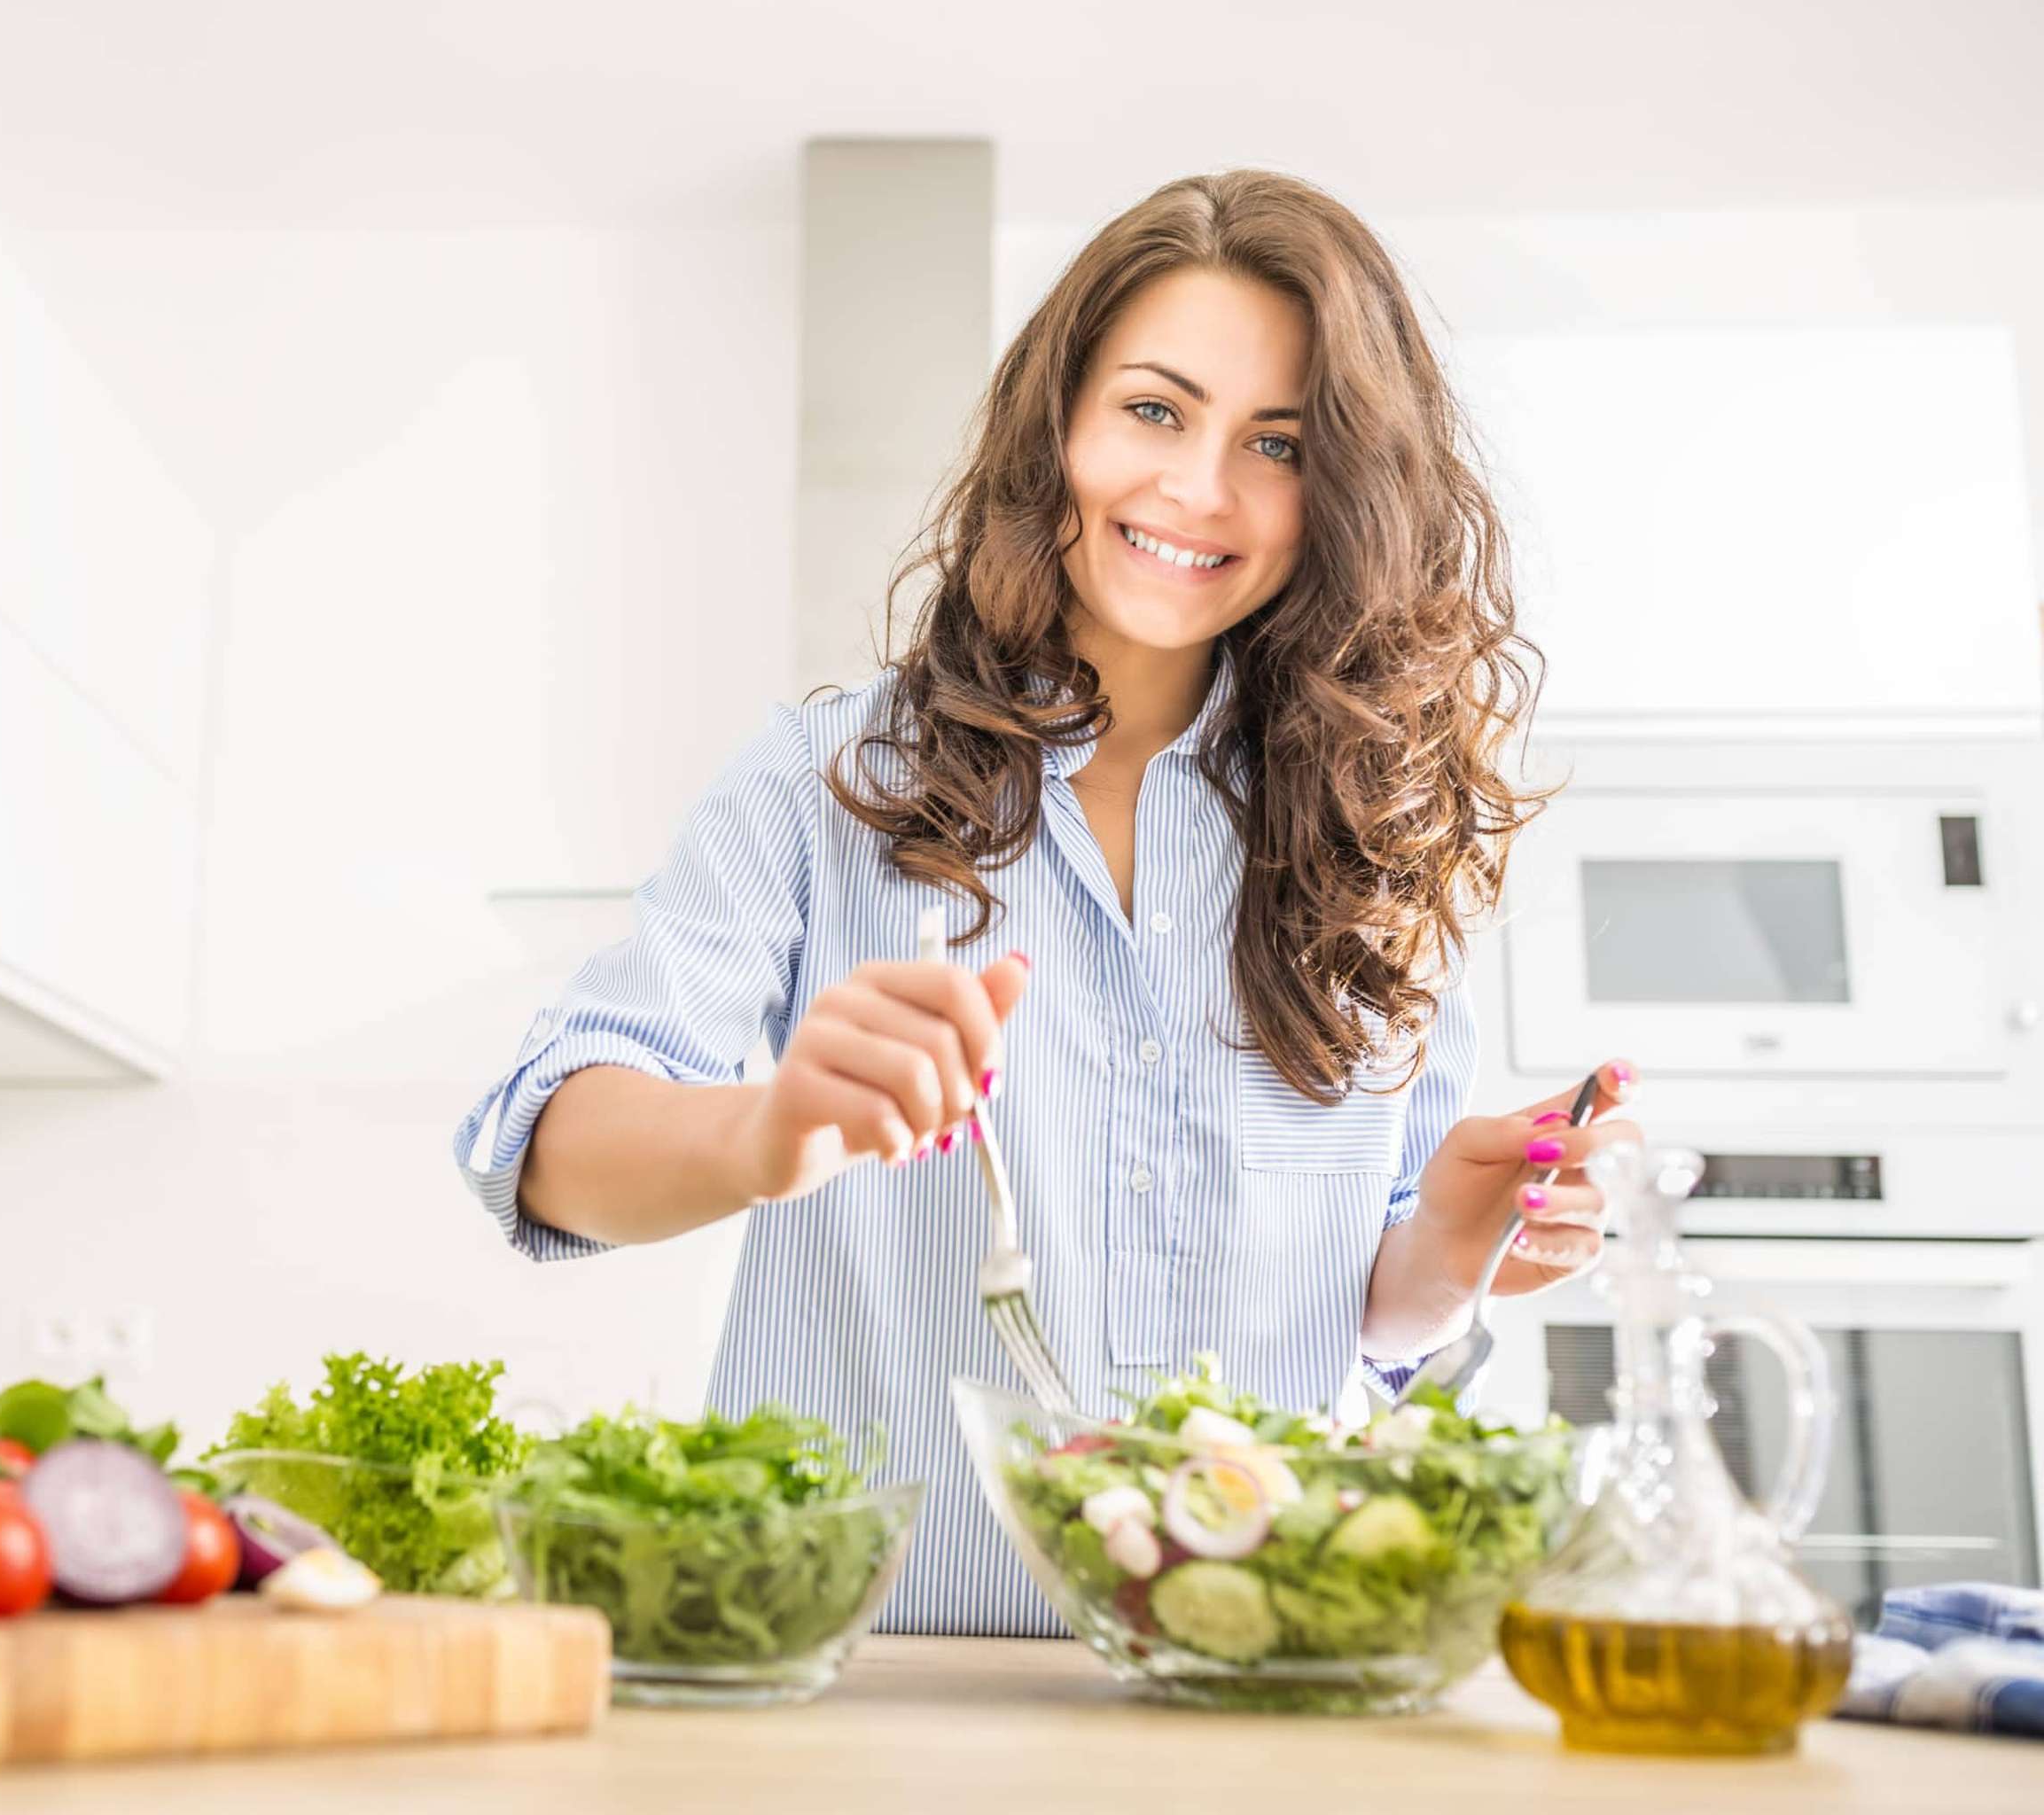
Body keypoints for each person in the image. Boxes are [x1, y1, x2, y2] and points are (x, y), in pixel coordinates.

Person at [453, 169, 1642, 1637]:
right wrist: (766, 1133)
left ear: (1345, 493)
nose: (1198, 489)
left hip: (1245, 1677)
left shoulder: (1376, 841)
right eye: (1155, 410)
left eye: (1275, 444)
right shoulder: (827, 779)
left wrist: (1453, 1249)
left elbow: (1372, 1330)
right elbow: (546, 1145)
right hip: (866, 1683)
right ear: (1057, 421)